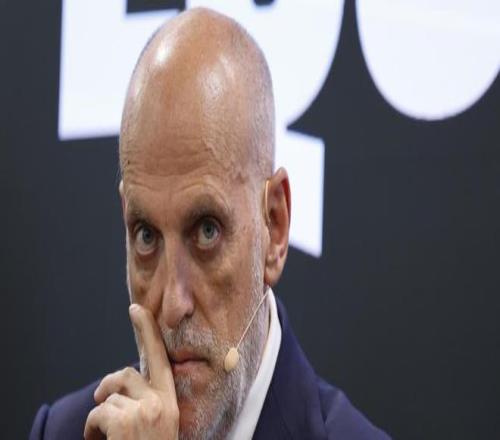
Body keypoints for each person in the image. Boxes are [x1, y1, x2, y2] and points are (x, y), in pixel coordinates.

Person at [30, 8, 390, 440]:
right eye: (145, 236)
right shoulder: (65, 431)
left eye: (206, 231)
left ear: (274, 227)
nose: (172, 305)